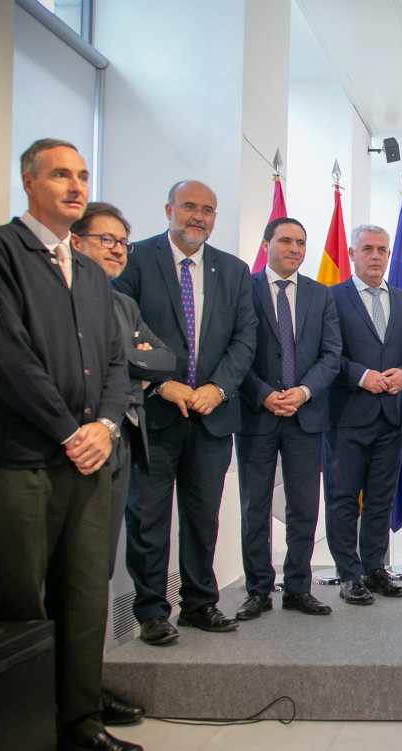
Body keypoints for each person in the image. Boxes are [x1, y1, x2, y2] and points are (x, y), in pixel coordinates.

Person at [0, 138, 142, 751]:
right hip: (20, 461)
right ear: (29, 181)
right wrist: (71, 430)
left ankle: (80, 721)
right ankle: (30, 742)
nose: (74, 185)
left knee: (85, 596)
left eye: (82, 174)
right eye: (60, 173)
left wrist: (105, 426)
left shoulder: (90, 272)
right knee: (20, 602)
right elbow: (5, 358)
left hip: (87, 461)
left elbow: (117, 364)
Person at [114, 180, 258, 644]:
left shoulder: (233, 271)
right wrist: (162, 382)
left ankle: (200, 603)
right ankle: (152, 611)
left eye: (208, 210)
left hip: (212, 416)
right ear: (168, 208)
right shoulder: (135, 260)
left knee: (203, 518)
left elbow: (244, 339)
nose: (199, 216)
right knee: (149, 517)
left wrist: (218, 387)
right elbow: (122, 329)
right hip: (155, 415)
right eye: (190, 207)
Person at [70, 201, 175, 727]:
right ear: (75, 241)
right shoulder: (58, 295)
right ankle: (62, 699)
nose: (115, 249)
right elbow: (117, 362)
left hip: (121, 442)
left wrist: (134, 360)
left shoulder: (122, 303)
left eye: (121, 242)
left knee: (95, 571)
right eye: (104, 239)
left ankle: (85, 692)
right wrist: (132, 360)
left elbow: (162, 358)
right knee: (65, 575)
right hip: (70, 448)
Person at [234, 217, 342, 621]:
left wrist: (302, 392)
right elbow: (235, 351)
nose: (294, 249)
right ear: (266, 245)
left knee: (304, 507)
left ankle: (298, 588)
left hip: (305, 415)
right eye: (285, 241)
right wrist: (263, 394)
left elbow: (331, 355)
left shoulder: (320, 295)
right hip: (256, 414)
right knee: (255, 507)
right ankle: (257, 590)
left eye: (300, 242)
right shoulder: (245, 289)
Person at [324, 224, 402, 605]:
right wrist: (361, 376)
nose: (376, 256)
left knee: (381, 498)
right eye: (368, 249)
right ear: (352, 254)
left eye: (382, 249)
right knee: (344, 498)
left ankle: (374, 568)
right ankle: (349, 574)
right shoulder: (331, 298)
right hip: (346, 417)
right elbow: (327, 354)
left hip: (391, 419)